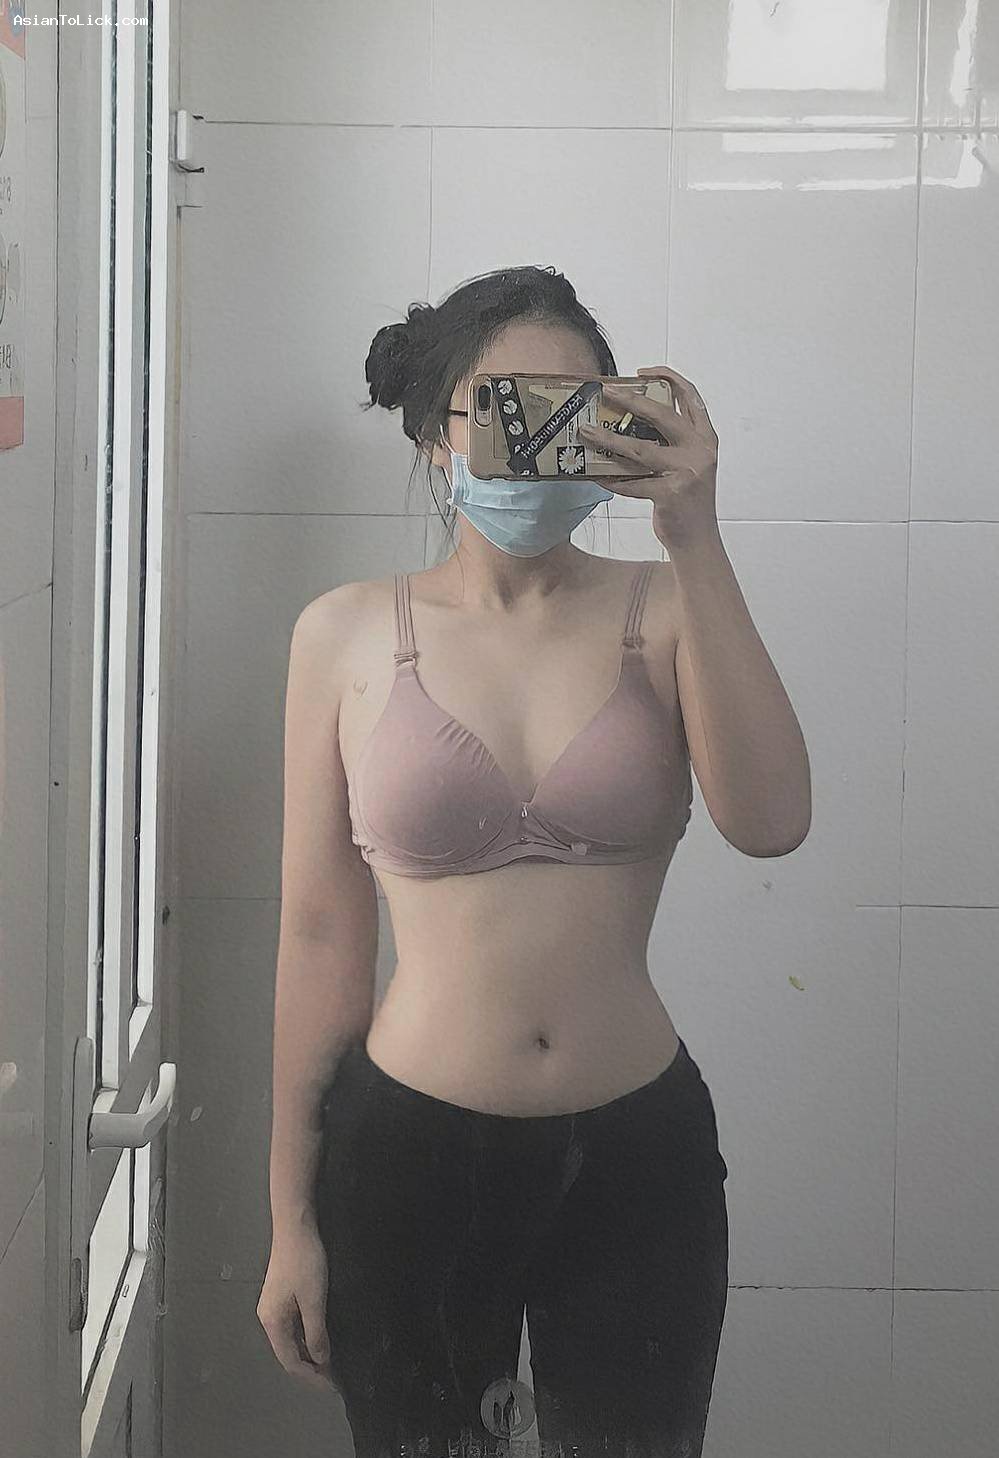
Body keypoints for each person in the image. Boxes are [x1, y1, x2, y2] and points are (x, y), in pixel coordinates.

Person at [256, 265, 811, 1457]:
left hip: (637, 1154)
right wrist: (289, 1219)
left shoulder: (668, 608)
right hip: (406, 1152)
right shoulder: (344, 632)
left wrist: (696, 536)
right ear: (434, 434)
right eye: (507, 407)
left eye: (575, 410)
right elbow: (320, 935)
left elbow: (772, 821)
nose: (541, 438)